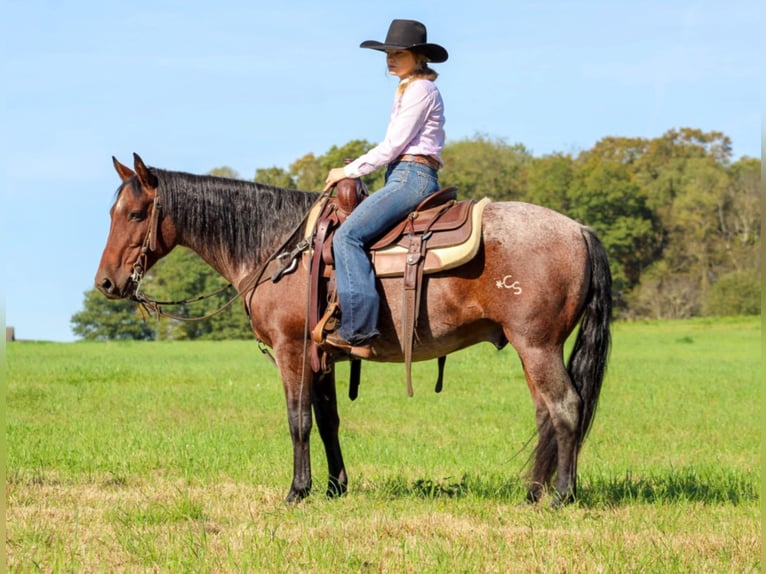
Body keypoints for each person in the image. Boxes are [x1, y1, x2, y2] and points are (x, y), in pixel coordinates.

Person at [322, 19, 448, 358]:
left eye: (398, 53)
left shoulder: (421, 90)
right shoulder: (409, 87)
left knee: (347, 237)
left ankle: (359, 331)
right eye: (388, 53)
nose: (390, 59)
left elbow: (393, 146)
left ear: (419, 57)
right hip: (402, 174)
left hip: (411, 176)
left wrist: (347, 171)